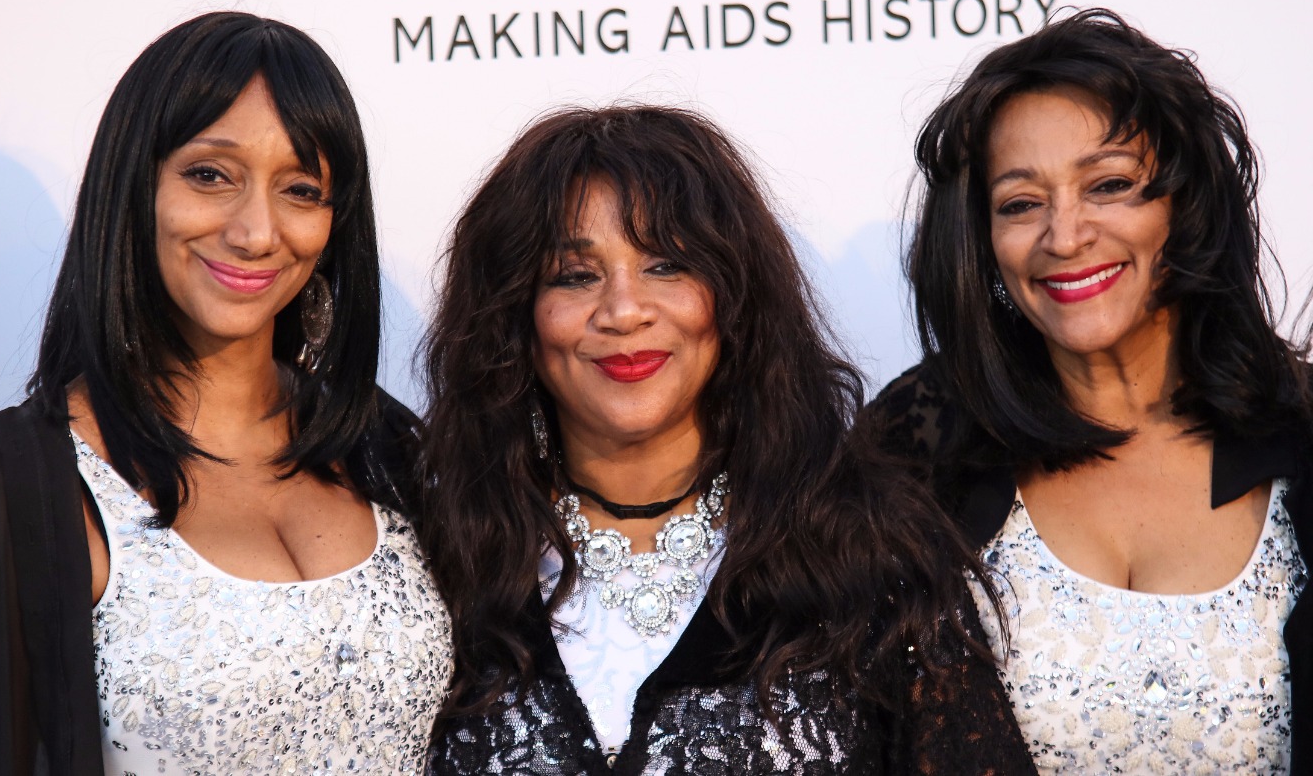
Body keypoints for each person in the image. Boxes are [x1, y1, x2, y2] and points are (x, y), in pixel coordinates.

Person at [418, 104, 1036, 774]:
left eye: (666, 266)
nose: (623, 310)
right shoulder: (442, 566)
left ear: (736, 296)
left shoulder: (873, 559)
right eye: (575, 275)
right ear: (515, 318)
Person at [0, 12, 451, 774]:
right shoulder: (29, 488)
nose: (256, 231)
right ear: (136, 187)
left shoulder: (385, 448)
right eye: (210, 175)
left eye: (301, 189)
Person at [876, 8, 1312, 774]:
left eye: (1109, 185)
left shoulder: (1302, 432)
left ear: (1184, 205)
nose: (1066, 235)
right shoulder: (917, 450)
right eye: (1021, 203)